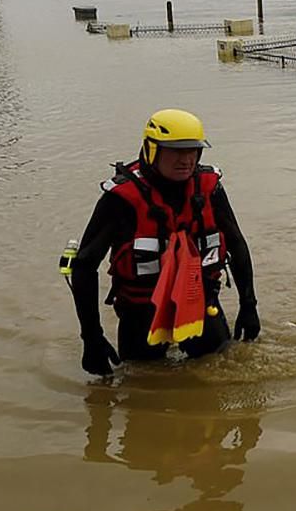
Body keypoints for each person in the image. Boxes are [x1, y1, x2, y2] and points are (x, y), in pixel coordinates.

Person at [70, 109, 260, 375]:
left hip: (200, 301)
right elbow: (84, 267)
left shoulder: (209, 188)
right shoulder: (120, 199)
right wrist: (91, 338)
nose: (186, 160)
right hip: (141, 310)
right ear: (151, 150)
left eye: (192, 151)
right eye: (175, 151)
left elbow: (237, 244)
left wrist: (248, 305)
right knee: (140, 385)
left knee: (220, 371)